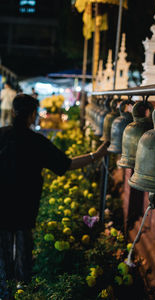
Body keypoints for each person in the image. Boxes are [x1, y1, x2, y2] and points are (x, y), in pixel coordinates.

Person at [0, 93, 109, 298]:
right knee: (23, 259)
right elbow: (67, 164)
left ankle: (5, 291)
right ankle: (23, 292)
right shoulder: (37, 142)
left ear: (14, 112)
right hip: (24, 207)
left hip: (2, 207)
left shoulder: (1, 135)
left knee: (4, 258)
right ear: (33, 115)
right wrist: (97, 155)